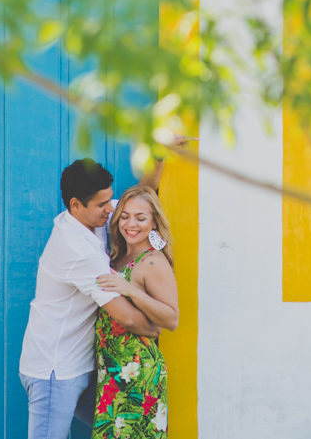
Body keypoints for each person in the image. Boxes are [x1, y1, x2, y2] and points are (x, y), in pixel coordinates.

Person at [19, 157, 164, 439]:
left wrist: (159, 154)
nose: (111, 210)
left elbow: (142, 193)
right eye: (103, 205)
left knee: (122, 429)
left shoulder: (87, 218)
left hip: (81, 364)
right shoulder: (78, 250)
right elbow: (128, 316)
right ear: (76, 204)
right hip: (55, 370)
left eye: (110, 200)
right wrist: (158, 326)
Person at [91, 185, 180, 437]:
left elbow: (171, 319)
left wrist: (131, 291)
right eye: (125, 216)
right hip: (112, 371)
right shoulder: (117, 256)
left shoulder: (153, 261)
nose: (131, 224)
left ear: (153, 223)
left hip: (138, 373)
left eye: (141, 218)